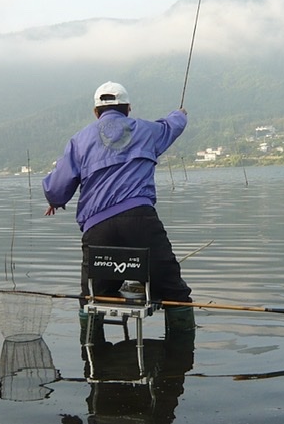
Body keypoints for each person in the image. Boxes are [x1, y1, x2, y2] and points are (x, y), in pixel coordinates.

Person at [42, 81, 195, 339]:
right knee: (175, 293)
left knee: (93, 298)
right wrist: (180, 114)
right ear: (128, 109)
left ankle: (94, 363)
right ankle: (179, 361)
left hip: (98, 229)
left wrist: (55, 201)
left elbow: (57, 188)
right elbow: (172, 126)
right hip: (141, 222)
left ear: (96, 112)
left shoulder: (79, 140)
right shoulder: (147, 131)